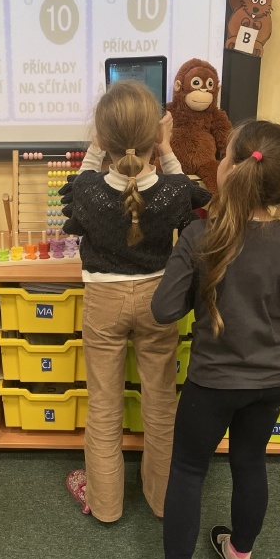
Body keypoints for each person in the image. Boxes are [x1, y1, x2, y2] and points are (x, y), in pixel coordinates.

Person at [151, 119, 280, 559]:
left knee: (188, 471)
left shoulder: (201, 235)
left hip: (212, 383)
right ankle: (240, 557)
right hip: (269, 382)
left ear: (230, 169)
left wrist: (194, 279)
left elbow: (164, 310)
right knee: (250, 462)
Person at [60, 79, 211, 523]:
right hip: (157, 301)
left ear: (102, 139)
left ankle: (105, 505)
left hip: (103, 302)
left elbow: (84, 181)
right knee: (161, 404)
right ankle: (162, 500)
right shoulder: (173, 191)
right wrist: (167, 148)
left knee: (104, 405)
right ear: (156, 137)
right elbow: (184, 186)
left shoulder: (87, 191)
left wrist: (96, 147)